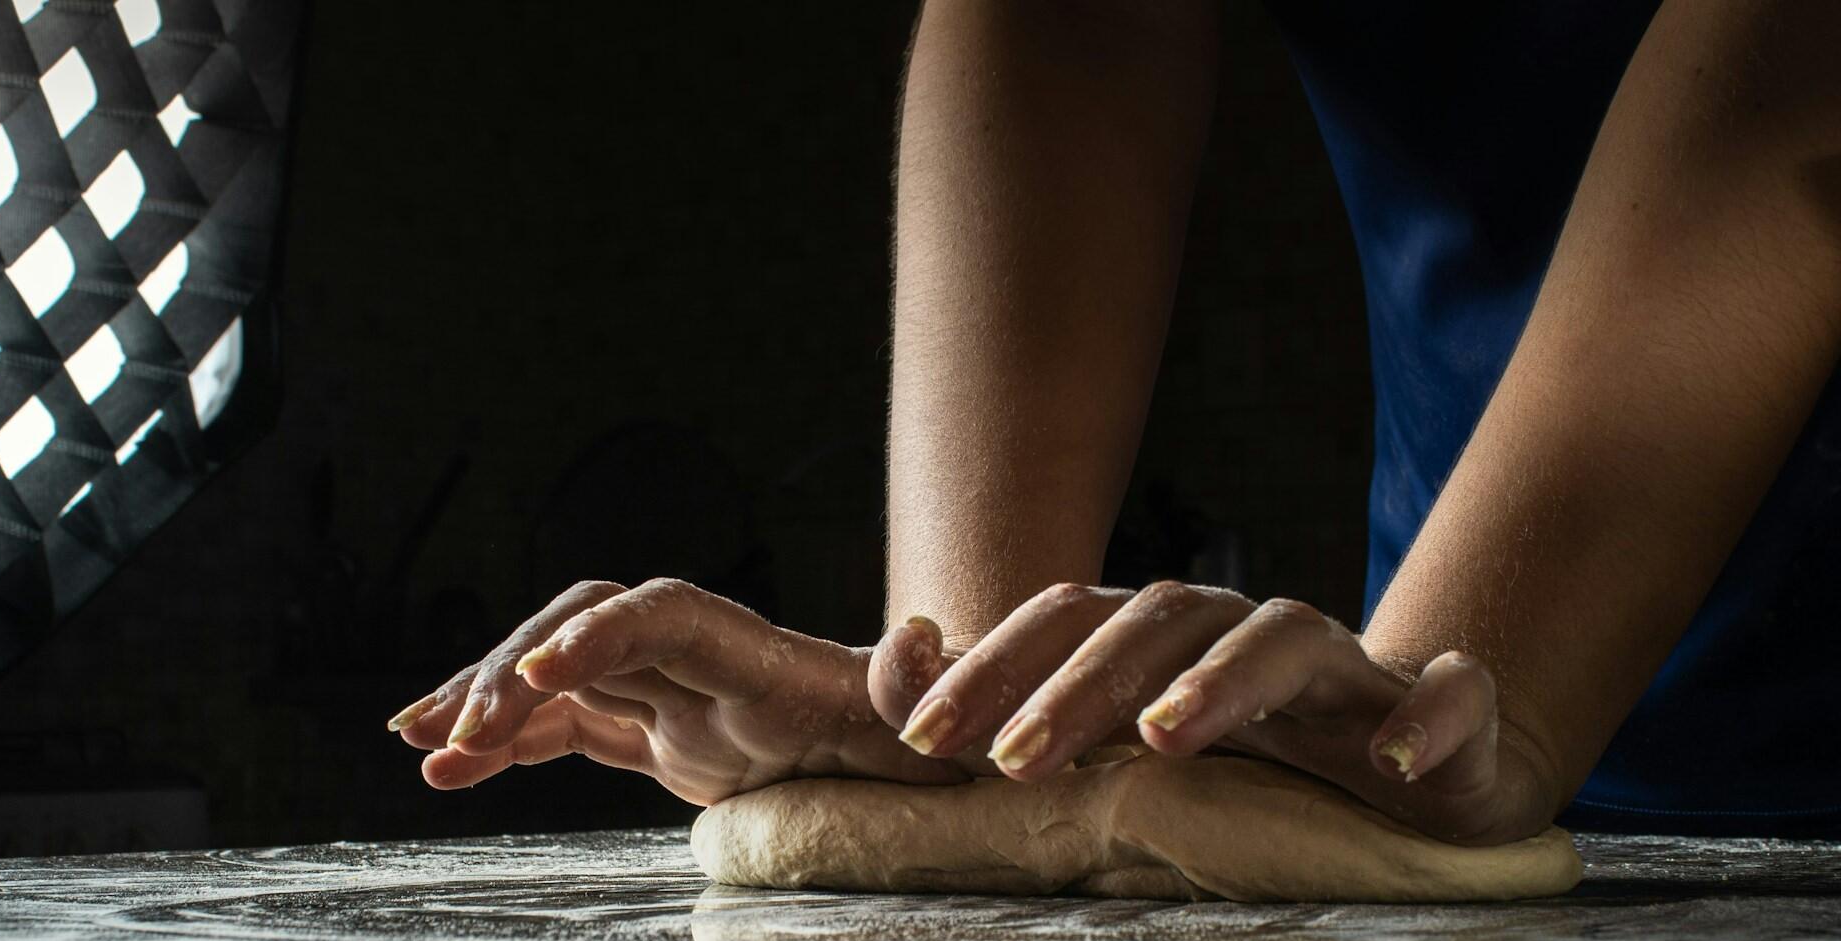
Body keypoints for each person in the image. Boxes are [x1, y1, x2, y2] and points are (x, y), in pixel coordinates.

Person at [390, 0, 1841, 844]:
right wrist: (975, 706)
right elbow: (1076, 30)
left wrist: (1500, 689)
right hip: (1451, 697)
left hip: (1533, 649)